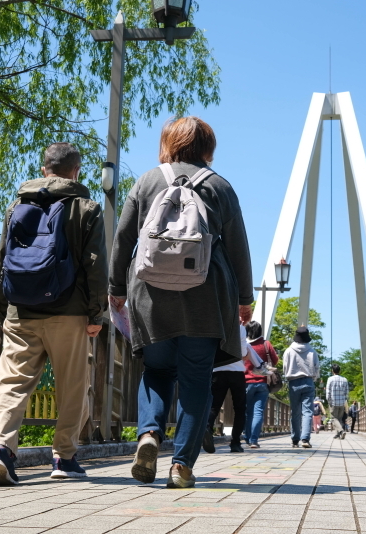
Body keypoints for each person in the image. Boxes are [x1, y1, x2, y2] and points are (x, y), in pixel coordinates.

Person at [109, 117, 253, 489]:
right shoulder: (220, 186)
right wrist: (245, 299)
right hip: (205, 294)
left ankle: (148, 435)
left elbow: (123, 239)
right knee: (196, 380)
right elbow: (238, 247)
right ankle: (181, 466)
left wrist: (116, 289)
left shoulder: (147, 180)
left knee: (156, 372)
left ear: (168, 143)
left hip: (150, 293)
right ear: (208, 149)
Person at [0, 142, 108, 486]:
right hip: (68, 313)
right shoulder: (87, 208)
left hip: (21, 311)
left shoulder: (17, 206)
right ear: (76, 171)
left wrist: (5, 309)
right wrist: (96, 313)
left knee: (11, 384)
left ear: (45, 169)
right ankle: (64, 458)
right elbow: (96, 265)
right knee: (72, 388)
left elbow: (0, 264)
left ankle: (1, 452)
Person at [203, 324, 252, 454]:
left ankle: (207, 429)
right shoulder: (238, 327)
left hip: (217, 370)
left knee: (214, 406)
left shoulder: (214, 324)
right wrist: (246, 353)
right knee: (240, 408)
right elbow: (242, 352)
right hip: (236, 371)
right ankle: (235, 443)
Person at [283, 326, 319, 449]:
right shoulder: (312, 351)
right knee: (308, 412)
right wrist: (313, 378)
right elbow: (316, 368)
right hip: (308, 382)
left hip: (293, 382)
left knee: (295, 412)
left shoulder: (289, 350)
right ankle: (305, 439)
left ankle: (295, 439)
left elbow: (285, 367)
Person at [244, 320, 279, 448]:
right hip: (263, 382)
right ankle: (254, 440)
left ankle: (247, 438)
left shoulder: (244, 344)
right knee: (258, 412)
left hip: (246, 381)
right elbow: (275, 360)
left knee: (247, 412)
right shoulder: (266, 344)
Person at [326, 364, 349, 440]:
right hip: (342, 402)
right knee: (339, 418)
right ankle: (338, 435)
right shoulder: (344, 379)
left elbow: (328, 391)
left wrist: (328, 400)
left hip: (333, 401)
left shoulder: (330, 379)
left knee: (333, 418)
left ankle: (341, 431)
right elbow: (346, 392)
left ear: (332, 371)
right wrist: (345, 400)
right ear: (340, 371)